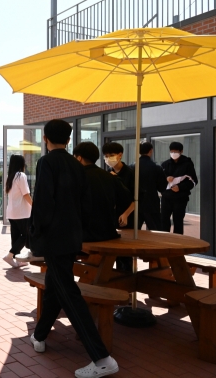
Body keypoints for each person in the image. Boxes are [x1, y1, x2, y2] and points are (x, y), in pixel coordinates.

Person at [29, 120, 119, 378]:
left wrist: (35, 232)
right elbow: (86, 206)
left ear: (45, 138)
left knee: (68, 292)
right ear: (68, 140)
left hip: (54, 240)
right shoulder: (77, 166)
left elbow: (44, 203)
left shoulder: (47, 162)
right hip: (72, 238)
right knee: (55, 287)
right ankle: (39, 334)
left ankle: (101, 358)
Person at [73, 142, 132, 242]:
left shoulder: (75, 177)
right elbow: (127, 198)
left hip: (83, 235)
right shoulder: (110, 177)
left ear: (79, 158)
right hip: (109, 233)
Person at [101, 142, 134, 272]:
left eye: (112, 155)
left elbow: (138, 198)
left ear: (120, 155)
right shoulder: (107, 173)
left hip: (127, 216)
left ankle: (126, 282)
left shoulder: (130, 173)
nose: (108, 159)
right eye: (106, 156)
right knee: (112, 251)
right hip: (112, 217)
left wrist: (126, 214)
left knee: (125, 254)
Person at [160, 141, 198, 235]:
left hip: (180, 198)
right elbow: (159, 180)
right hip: (166, 198)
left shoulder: (187, 164)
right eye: (171, 151)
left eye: (175, 151)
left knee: (178, 221)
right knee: (164, 220)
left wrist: (180, 187)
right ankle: (164, 241)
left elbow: (194, 181)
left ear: (181, 151)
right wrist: (166, 179)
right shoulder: (165, 164)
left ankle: (177, 243)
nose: (173, 154)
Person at [3, 154, 31, 268]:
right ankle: (10, 255)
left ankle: (17, 260)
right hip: (22, 212)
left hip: (11, 212)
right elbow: (26, 194)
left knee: (15, 236)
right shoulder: (21, 176)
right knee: (26, 235)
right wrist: (34, 206)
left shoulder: (10, 177)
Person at [131, 142, 167, 231]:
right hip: (151, 204)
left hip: (135, 204)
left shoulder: (131, 166)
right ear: (151, 151)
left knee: (134, 231)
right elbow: (162, 187)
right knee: (155, 231)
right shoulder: (156, 167)